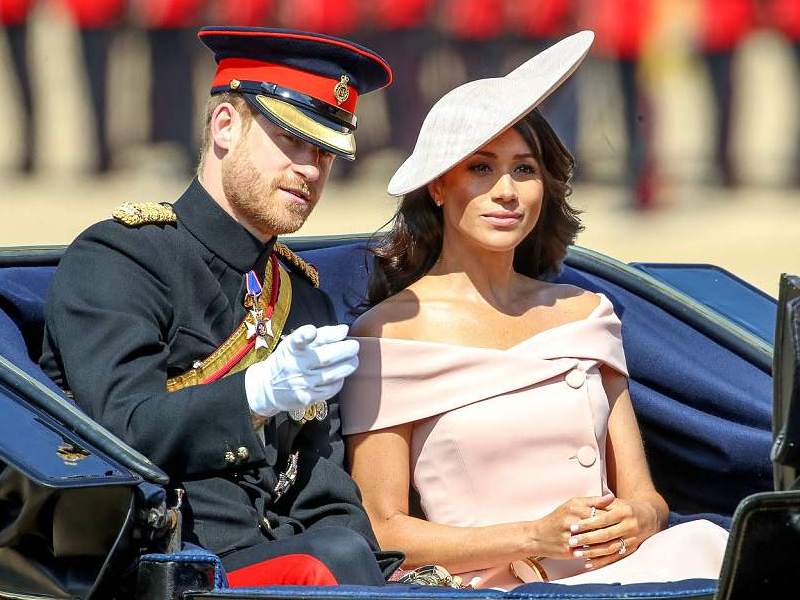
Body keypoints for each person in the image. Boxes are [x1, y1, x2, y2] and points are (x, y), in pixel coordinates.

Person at [340, 31, 728, 590]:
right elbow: (382, 529)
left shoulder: (585, 312)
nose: (507, 190)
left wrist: (640, 518)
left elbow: (644, 497)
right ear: (438, 188)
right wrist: (531, 537)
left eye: (524, 170)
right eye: (481, 168)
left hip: (625, 576)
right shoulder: (390, 331)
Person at [40, 26, 402, 587]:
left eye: (326, 152)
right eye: (293, 140)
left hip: (287, 563)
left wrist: (384, 580)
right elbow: (118, 430)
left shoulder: (301, 295)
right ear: (225, 126)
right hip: (165, 566)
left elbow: (320, 487)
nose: (311, 169)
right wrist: (255, 396)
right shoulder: (123, 257)